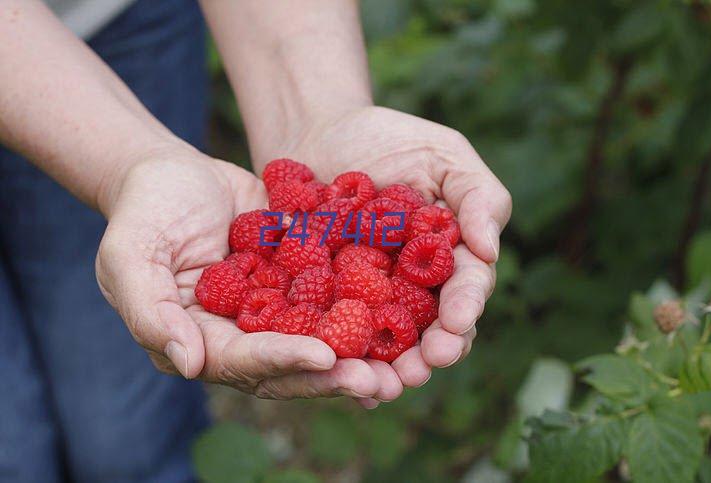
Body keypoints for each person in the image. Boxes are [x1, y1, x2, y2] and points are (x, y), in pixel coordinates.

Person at [0, 0, 512, 481]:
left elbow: (317, 266)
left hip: (117, 18)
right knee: (11, 449)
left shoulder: (329, 251)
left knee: (123, 432)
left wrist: (318, 116)